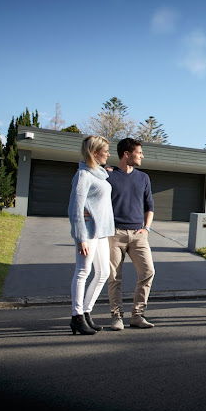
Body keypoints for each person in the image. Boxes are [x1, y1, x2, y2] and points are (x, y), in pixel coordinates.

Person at [67, 136, 115, 335]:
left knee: (104, 272)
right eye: (105, 151)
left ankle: (86, 311)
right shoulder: (83, 175)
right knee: (82, 272)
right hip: (88, 232)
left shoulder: (98, 174)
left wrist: (105, 171)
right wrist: (81, 238)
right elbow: (74, 208)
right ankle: (76, 316)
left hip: (102, 233)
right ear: (94, 153)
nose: (108, 154)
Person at [107, 138, 156, 330]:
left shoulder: (143, 178)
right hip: (114, 234)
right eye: (139, 152)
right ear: (127, 154)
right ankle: (116, 317)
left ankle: (137, 315)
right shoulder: (107, 175)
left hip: (138, 234)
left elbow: (149, 206)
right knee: (114, 277)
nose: (142, 156)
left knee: (148, 272)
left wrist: (147, 228)